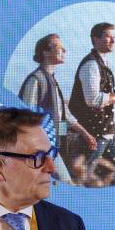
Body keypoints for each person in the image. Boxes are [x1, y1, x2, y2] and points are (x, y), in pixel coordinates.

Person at [18, 33, 97, 183]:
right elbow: (25, 118)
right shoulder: (36, 80)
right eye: (59, 47)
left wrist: (85, 133)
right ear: (46, 53)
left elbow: (63, 116)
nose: (64, 50)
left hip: (53, 146)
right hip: (41, 148)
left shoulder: (52, 81)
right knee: (65, 181)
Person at [69, 22, 115, 185]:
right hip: (96, 133)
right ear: (95, 39)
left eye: (114, 37)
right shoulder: (91, 65)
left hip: (109, 131)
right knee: (84, 178)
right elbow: (94, 100)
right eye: (108, 37)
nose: (113, 41)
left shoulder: (103, 63)